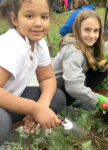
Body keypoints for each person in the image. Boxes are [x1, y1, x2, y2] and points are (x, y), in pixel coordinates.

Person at [0, 0, 66, 144]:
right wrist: (34, 109)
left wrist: (42, 105)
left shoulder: (39, 43)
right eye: (29, 16)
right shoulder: (11, 46)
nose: (38, 23)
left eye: (44, 17)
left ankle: (8, 130)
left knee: (57, 96)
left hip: (8, 99)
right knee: (1, 121)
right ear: (14, 19)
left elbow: (47, 78)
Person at [53, 9, 108, 113]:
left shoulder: (85, 44)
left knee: (102, 70)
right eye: (87, 30)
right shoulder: (74, 51)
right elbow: (73, 87)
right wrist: (97, 100)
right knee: (72, 85)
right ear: (78, 29)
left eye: (96, 31)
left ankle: (72, 101)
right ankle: (63, 107)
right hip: (54, 90)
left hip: (66, 83)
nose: (92, 35)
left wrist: (93, 62)